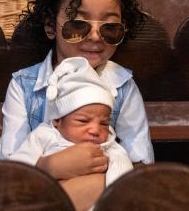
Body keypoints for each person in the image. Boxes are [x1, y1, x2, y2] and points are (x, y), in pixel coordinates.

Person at [0, 0, 153, 210]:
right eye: (78, 25)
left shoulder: (122, 87)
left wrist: (97, 180)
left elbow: (141, 165)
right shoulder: (25, 87)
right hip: (32, 195)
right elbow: (8, 171)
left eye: (110, 28)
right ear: (50, 26)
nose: (94, 36)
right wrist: (49, 167)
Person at [8, 56, 134, 201]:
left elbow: (122, 173)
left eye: (104, 123)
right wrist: (48, 167)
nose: (95, 129)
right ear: (57, 121)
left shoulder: (109, 146)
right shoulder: (44, 135)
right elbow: (17, 168)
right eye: (83, 121)